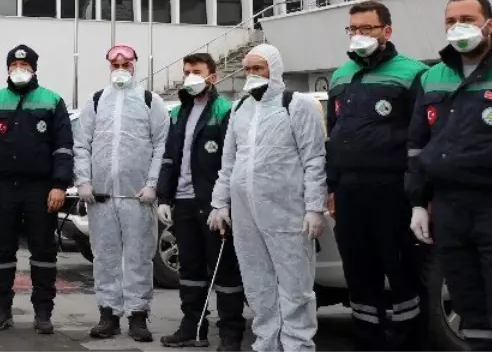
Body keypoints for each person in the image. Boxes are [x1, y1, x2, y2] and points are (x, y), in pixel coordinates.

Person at [407, 0, 492, 349]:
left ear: (489, 24)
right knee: (468, 303)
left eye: (466, 20)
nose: (457, 27)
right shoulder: (431, 77)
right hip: (449, 208)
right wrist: (418, 201)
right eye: (451, 21)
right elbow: (418, 144)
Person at [209, 44, 327, 352]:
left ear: (274, 69)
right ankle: (267, 343)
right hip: (246, 213)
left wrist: (315, 207)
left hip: (287, 211)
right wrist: (220, 202)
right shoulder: (239, 108)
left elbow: (314, 158)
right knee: (257, 282)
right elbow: (229, 161)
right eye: (247, 69)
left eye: (258, 68)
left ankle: (297, 345)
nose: (252, 74)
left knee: (295, 285)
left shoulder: (297, 105)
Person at [327, 1, 429, 352]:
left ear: (387, 31)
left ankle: (409, 344)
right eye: (352, 29)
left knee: (401, 274)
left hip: (393, 190)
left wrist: (420, 194)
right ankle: (367, 343)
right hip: (351, 192)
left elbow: (423, 137)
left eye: (366, 29)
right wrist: (332, 185)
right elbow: (334, 133)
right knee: (359, 275)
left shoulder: (414, 73)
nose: (358, 35)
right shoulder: (340, 76)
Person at [0, 44, 73, 335]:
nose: (19, 71)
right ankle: (1, 311)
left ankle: (43, 313)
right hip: (2, 188)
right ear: (7, 69)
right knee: (1, 251)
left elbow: (63, 147)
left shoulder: (52, 101)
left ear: (34, 69)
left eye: (25, 66)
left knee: (43, 251)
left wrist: (59, 185)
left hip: (41, 189)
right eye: (14, 66)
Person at [74, 44, 168, 343]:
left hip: (137, 197)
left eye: (126, 63)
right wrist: (83, 181)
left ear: (135, 65)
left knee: (139, 257)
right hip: (101, 197)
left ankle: (138, 315)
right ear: (108, 66)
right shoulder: (96, 100)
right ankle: (108, 313)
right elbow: (81, 144)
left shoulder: (150, 101)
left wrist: (153, 183)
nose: (121, 67)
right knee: (105, 257)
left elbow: (161, 145)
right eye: (115, 62)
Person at [156, 53, 245, 351]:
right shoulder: (179, 112)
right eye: (187, 72)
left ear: (213, 77)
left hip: (212, 204)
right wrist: (164, 197)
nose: (191, 77)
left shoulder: (225, 111)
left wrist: (225, 204)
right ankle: (193, 328)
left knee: (224, 271)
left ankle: (231, 333)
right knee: (190, 270)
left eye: (197, 72)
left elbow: (231, 160)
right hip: (182, 203)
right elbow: (169, 158)